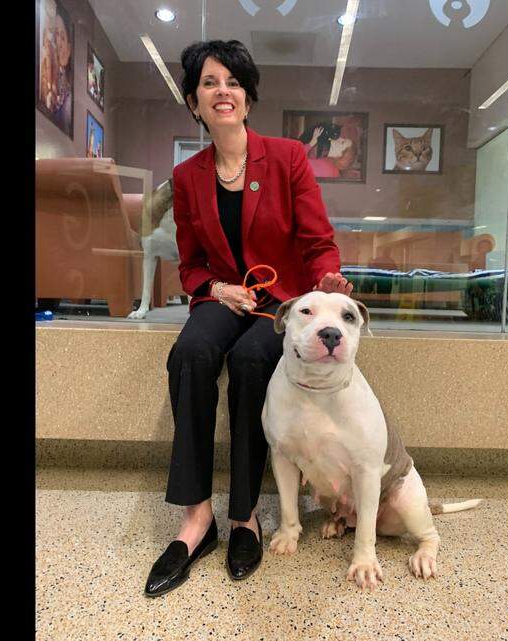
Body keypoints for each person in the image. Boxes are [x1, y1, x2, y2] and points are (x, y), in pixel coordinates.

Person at [145, 39, 353, 598]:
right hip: (222, 299)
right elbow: (189, 264)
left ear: (248, 97)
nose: (223, 92)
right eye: (210, 83)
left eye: (233, 82)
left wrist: (328, 281)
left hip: (277, 302)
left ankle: (244, 517)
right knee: (190, 354)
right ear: (194, 101)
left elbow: (318, 243)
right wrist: (216, 288)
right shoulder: (188, 176)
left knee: (253, 357)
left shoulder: (287, 158)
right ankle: (196, 521)